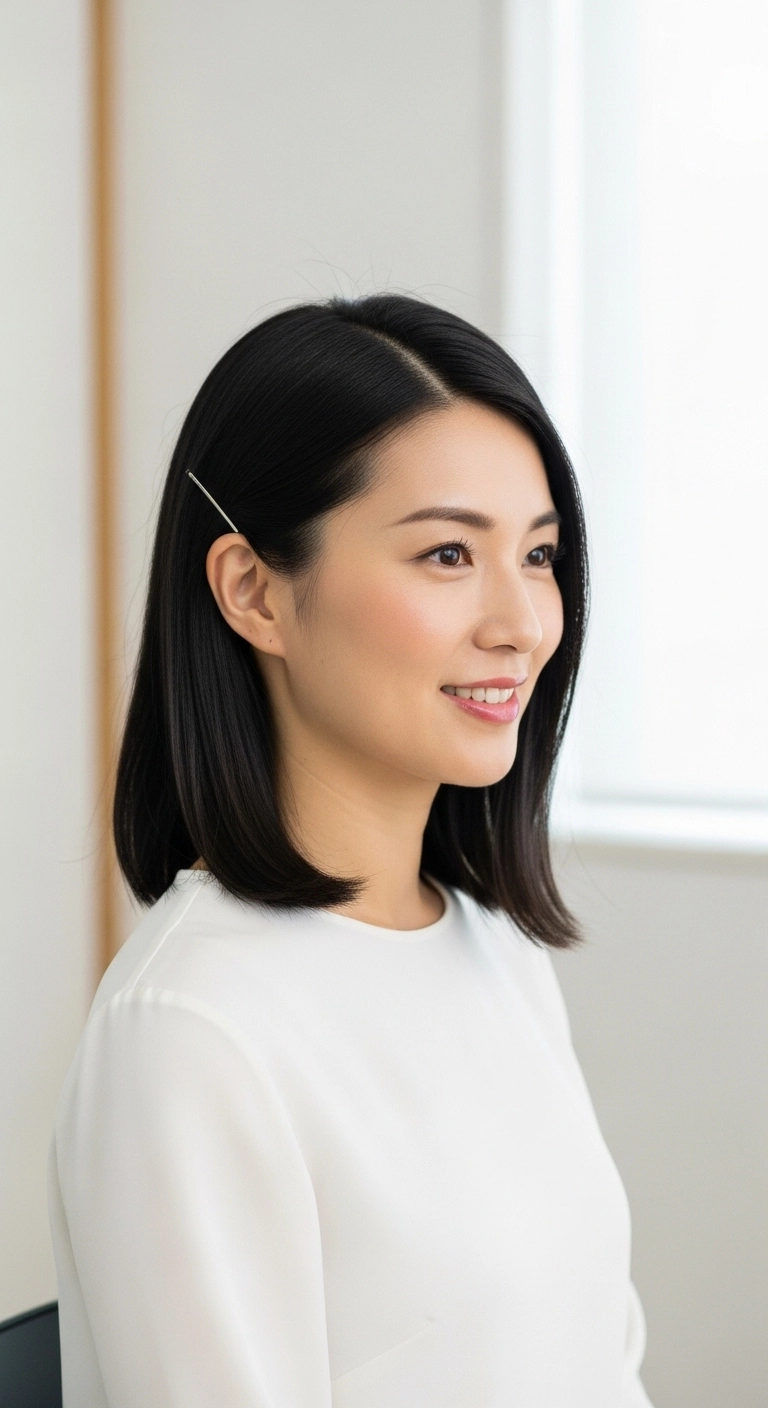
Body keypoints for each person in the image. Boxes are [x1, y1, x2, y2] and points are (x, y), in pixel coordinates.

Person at [49, 295, 653, 1406]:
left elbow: (600, 1368)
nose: (523, 619)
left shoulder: (493, 949)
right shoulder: (192, 1033)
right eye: (445, 553)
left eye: (539, 554)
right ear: (253, 591)